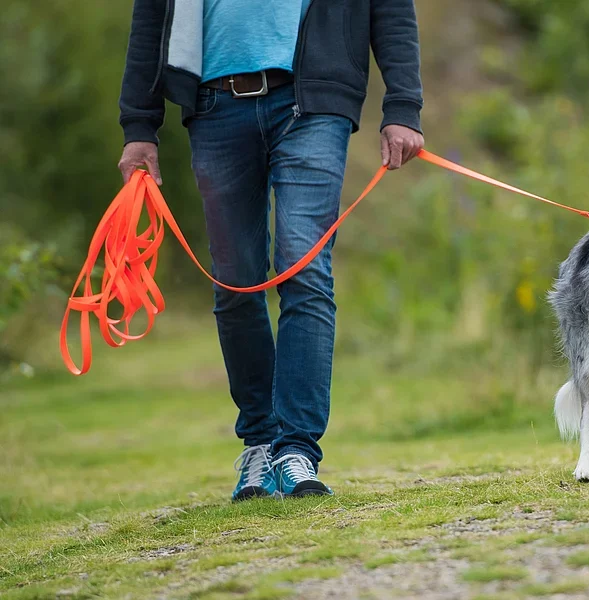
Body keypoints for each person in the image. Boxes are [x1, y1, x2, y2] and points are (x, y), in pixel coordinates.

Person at [116, 0, 424, 500]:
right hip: (213, 106)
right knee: (235, 284)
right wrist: (139, 127)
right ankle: (260, 442)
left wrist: (404, 105)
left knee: (304, 268)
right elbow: (153, 14)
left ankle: (297, 448)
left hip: (313, 100)